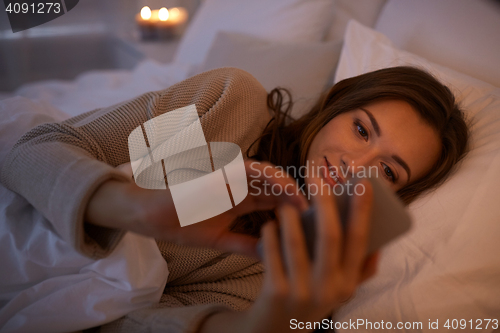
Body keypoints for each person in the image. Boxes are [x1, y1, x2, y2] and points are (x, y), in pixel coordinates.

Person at [0, 66, 468, 332]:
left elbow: (139, 323)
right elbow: (40, 150)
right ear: (335, 107)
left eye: (388, 170)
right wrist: (140, 207)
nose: (355, 164)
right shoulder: (230, 109)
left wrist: (263, 325)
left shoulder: (281, 268)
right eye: (361, 129)